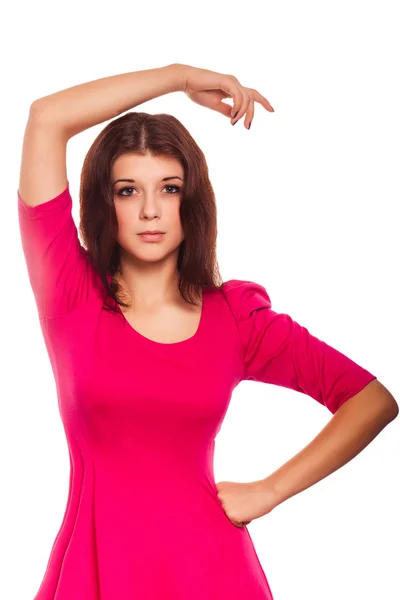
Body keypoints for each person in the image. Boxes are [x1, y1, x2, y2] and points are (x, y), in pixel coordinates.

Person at [17, 63, 398, 600]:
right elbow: (46, 118)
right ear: (107, 203)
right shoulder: (71, 294)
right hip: (96, 570)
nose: (150, 210)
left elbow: (371, 400)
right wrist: (178, 76)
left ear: (190, 199)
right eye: (128, 190)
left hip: (212, 572)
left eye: (169, 188)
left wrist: (268, 491)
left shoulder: (235, 318)